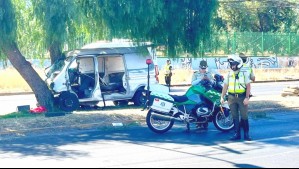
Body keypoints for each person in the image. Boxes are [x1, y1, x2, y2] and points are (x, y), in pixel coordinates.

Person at [221, 54, 252, 141]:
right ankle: (236, 134)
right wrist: (222, 97)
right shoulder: (229, 74)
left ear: (238, 64)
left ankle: (246, 134)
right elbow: (225, 86)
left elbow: (248, 86)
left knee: (244, 116)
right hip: (231, 97)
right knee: (234, 116)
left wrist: (247, 98)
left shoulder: (244, 73)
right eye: (231, 64)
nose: (232, 66)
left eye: (234, 64)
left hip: (242, 98)